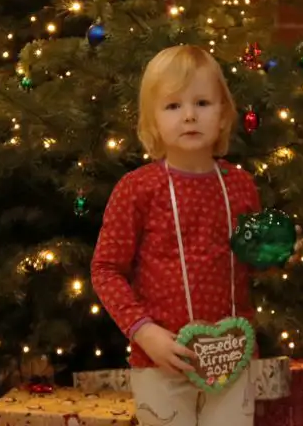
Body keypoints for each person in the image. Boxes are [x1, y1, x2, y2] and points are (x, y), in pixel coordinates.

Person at [91, 45, 261, 426]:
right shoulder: (137, 190)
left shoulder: (241, 186)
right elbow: (105, 269)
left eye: (202, 102)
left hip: (231, 361)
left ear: (222, 116)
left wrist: (274, 250)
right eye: (172, 106)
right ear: (151, 122)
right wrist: (143, 332)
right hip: (160, 363)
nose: (189, 116)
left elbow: (249, 263)